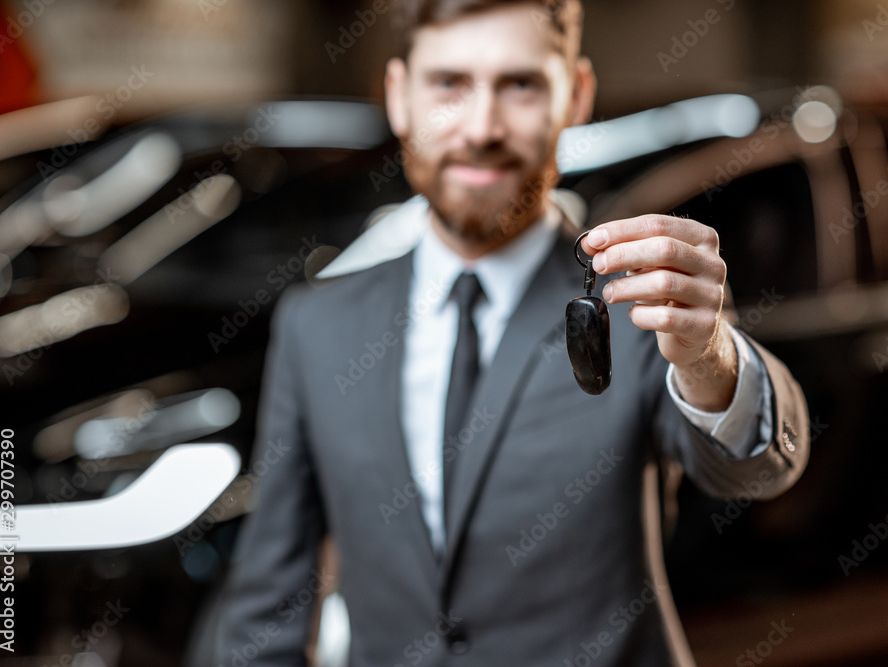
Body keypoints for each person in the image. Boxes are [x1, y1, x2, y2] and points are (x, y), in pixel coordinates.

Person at [217, 1, 809, 665]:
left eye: (520, 85)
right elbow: (265, 612)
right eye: (449, 84)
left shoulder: (638, 301)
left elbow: (755, 466)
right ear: (398, 96)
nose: (482, 127)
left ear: (576, 96)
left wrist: (709, 356)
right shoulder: (316, 325)